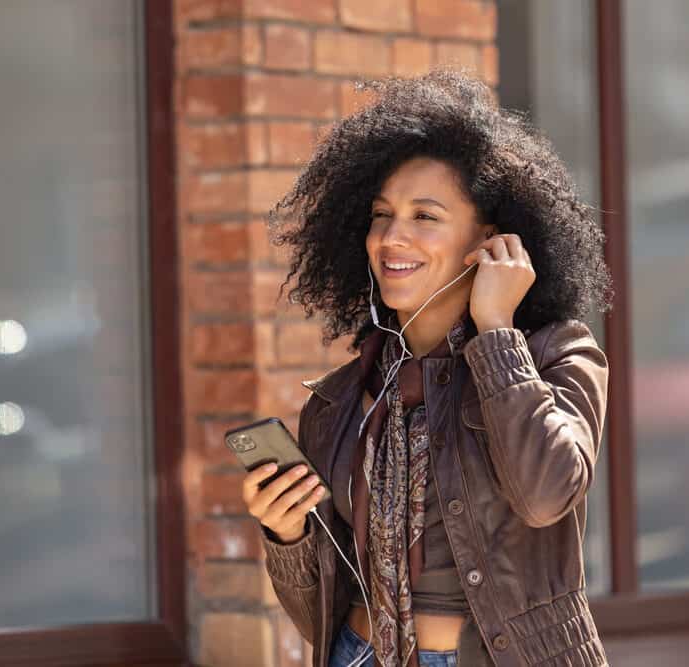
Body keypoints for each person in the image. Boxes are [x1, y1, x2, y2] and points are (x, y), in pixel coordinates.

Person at [240, 68, 613, 667]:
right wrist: (286, 536)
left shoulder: (555, 354)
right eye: (381, 214)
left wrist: (496, 330)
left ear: (490, 240)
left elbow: (546, 495)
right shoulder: (337, 402)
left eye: (425, 216)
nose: (392, 236)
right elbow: (317, 615)